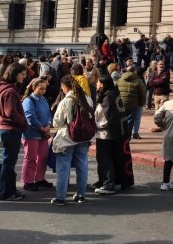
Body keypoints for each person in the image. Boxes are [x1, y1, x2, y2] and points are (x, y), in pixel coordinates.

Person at [51, 75, 94, 206]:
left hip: (68, 138)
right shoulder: (87, 98)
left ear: (65, 87)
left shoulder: (66, 101)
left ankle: (60, 197)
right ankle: (81, 195)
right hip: (84, 137)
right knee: (82, 166)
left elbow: (57, 122)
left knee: (63, 168)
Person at [0, 63, 28, 201]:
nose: (24, 77)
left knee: (9, 161)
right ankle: (6, 192)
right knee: (9, 162)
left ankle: (9, 190)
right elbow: (10, 112)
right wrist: (24, 122)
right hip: (11, 129)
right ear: (14, 74)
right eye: (22, 74)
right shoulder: (10, 91)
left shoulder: (8, 89)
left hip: (8, 129)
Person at [94, 75, 126, 195]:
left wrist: (96, 125)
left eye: (98, 82)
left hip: (105, 134)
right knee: (106, 158)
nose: (96, 84)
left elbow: (108, 118)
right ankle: (104, 181)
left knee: (105, 159)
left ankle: (108, 184)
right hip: (112, 133)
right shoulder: (112, 94)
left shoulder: (107, 97)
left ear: (102, 84)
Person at [21, 78, 52, 192]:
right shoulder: (28, 100)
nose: (43, 91)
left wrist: (48, 124)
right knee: (31, 158)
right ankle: (27, 181)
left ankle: (39, 178)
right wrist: (42, 128)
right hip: (32, 134)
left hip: (43, 134)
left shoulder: (43, 99)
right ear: (34, 88)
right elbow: (30, 117)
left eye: (45, 89)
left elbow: (49, 113)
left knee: (43, 157)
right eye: (41, 89)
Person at [117, 65, 147, 140]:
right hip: (133, 104)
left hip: (121, 104)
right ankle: (127, 136)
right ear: (134, 71)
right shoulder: (138, 80)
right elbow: (143, 92)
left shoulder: (120, 80)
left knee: (121, 120)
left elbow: (115, 90)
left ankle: (120, 135)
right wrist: (142, 103)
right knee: (130, 120)